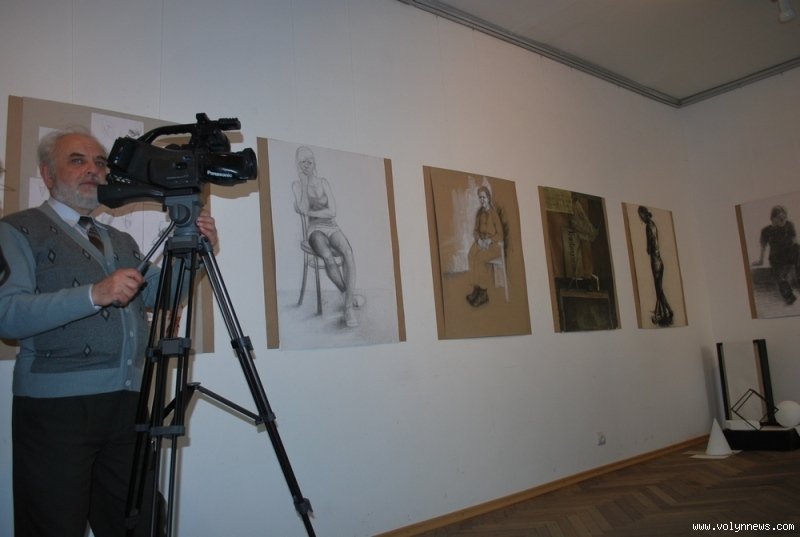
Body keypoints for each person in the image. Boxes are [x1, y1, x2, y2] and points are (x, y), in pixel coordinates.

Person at [0, 127, 218, 537]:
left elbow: (165, 292)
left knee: (138, 522)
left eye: (100, 162)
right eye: (77, 160)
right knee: (53, 526)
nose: (93, 170)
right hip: (55, 411)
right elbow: (7, 315)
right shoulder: (16, 230)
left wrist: (195, 251)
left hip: (128, 405)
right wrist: (94, 294)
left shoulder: (119, 240)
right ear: (47, 174)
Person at [291, 146, 362, 327]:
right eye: (303, 162)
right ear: (298, 165)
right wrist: (304, 184)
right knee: (328, 257)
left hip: (331, 226)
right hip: (314, 230)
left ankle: (347, 302)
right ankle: (349, 304)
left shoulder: (323, 182)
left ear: (314, 163)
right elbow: (304, 208)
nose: (306, 165)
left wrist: (313, 213)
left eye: (309, 161)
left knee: (348, 252)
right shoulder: (297, 185)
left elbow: (333, 212)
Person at [752, 204, 799, 305]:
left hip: (789, 254)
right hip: (776, 257)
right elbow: (763, 248)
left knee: (797, 247)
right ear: (773, 218)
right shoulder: (766, 231)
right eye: (780, 218)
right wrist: (760, 261)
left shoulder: (789, 225)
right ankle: (789, 296)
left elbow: (795, 242)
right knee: (780, 277)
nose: (784, 220)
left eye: (785, 217)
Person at [465, 186, 502, 307]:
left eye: (484, 197)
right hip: (481, 241)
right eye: (480, 197)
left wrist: (489, 241)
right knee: (471, 255)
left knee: (480, 259)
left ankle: (483, 293)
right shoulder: (479, 213)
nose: (482, 200)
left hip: (493, 244)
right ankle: (476, 289)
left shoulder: (494, 214)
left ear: (488, 198)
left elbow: (500, 234)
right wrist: (479, 240)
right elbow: (475, 231)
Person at [637, 206, 673, 326]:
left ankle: (666, 313)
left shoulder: (648, 226)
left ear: (643, 215)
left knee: (659, 290)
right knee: (659, 289)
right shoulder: (653, 224)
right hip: (659, 261)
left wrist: (648, 248)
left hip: (655, 261)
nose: (640, 218)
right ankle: (664, 312)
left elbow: (649, 248)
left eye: (640, 216)